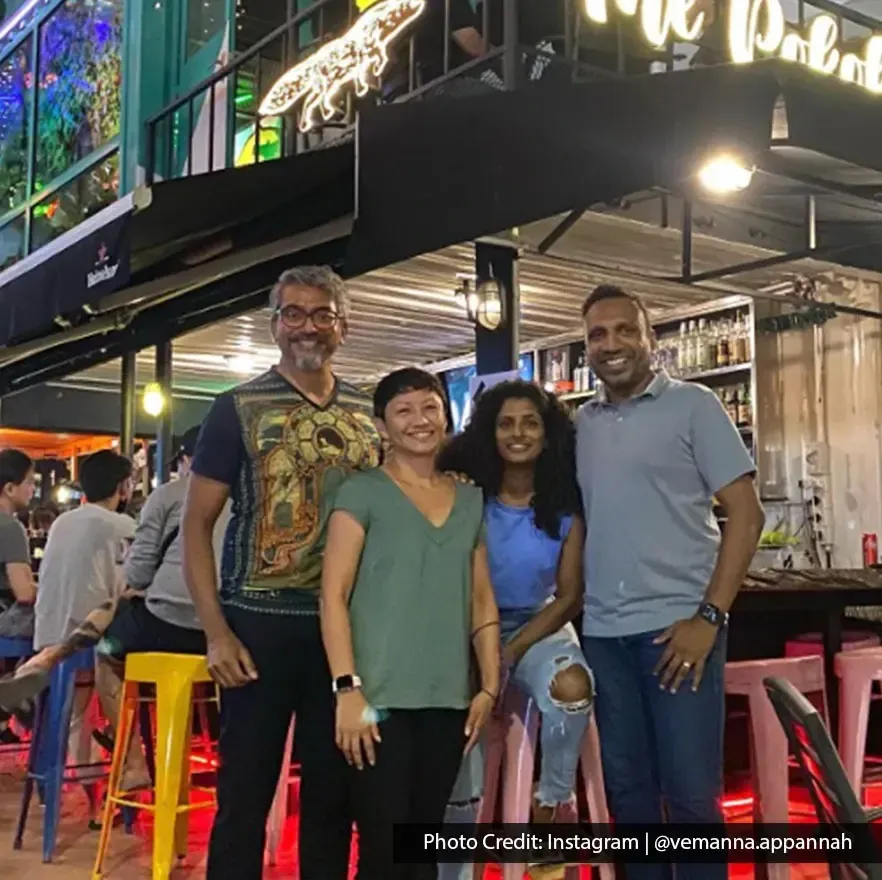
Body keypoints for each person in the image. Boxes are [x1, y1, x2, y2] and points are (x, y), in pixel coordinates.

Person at [182, 265, 382, 880]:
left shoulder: (370, 412)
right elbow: (196, 526)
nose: (307, 327)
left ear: (342, 328)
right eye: (292, 313)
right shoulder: (235, 408)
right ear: (274, 326)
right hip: (257, 627)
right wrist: (216, 631)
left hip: (343, 631)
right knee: (243, 794)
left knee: (332, 796)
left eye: (322, 314)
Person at [577, 285, 764, 880]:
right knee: (630, 802)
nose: (611, 345)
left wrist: (709, 617)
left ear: (649, 337)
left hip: (677, 633)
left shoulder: (695, 405)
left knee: (689, 801)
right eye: (597, 335)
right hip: (604, 634)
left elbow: (747, 513)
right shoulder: (580, 424)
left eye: (624, 330)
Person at [321, 367, 500, 880]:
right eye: (403, 410)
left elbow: (481, 597)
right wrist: (346, 689)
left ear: (446, 415)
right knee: (384, 850)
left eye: (430, 407)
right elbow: (332, 596)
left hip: (448, 697)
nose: (419, 420)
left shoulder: (469, 498)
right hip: (377, 697)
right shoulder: (361, 492)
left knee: (423, 849)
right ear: (381, 426)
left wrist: (488, 684)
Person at [436, 381, 593, 880]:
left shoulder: (566, 508)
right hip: (465, 625)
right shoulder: (466, 498)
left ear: (548, 437)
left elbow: (569, 597)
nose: (518, 433)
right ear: (490, 433)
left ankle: (548, 812)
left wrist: (509, 651)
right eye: (506, 423)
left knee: (573, 689)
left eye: (530, 423)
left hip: (538, 623)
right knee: (461, 735)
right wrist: (484, 651)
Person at [31, 449, 149, 791]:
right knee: (122, 665)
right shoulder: (124, 526)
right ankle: (124, 765)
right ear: (123, 486)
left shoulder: (62, 522)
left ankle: (59, 784)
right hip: (87, 639)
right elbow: (134, 581)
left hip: (48, 635)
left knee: (81, 707)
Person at [0, 449, 37, 743]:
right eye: (30, 482)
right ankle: (24, 696)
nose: (33, 489)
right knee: (63, 622)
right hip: (4, 620)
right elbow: (24, 593)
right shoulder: (10, 527)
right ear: (9, 488)